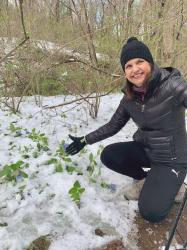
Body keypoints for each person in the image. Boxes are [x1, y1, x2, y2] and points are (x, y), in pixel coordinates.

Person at [65, 37, 187, 223]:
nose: (135, 69)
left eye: (140, 62)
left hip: (172, 159)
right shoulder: (130, 97)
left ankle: (174, 185)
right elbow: (113, 125)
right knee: (109, 155)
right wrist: (84, 140)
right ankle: (145, 180)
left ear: (151, 63)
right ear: (125, 72)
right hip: (147, 149)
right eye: (128, 65)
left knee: (151, 213)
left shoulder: (172, 85)